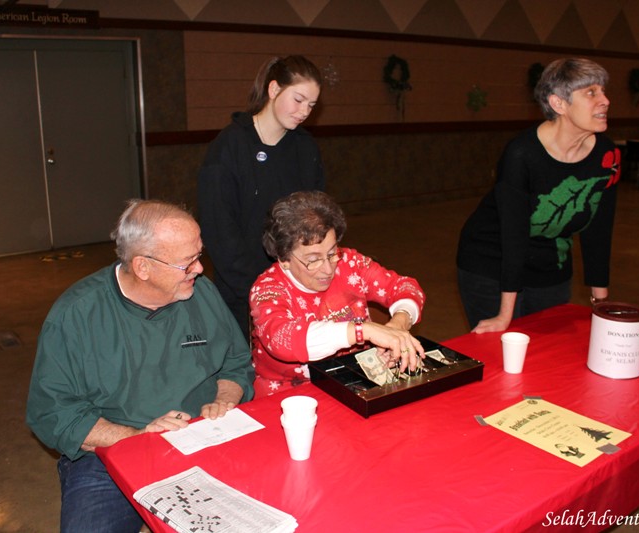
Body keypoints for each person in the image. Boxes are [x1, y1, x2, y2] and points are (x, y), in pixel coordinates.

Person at [26, 199, 255, 533]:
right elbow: (52, 413)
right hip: (111, 455)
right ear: (143, 267)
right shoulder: (77, 314)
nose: (200, 269)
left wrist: (225, 399)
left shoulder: (201, 293)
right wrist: (136, 436)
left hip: (203, 436)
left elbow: (235, 363)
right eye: (187, 262)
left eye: (198, 255)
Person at [456, 58, 621, 333]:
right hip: (491, 261)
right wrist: (504, 317)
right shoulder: (522, 154)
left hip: (551, 263)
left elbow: (599, 232)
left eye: (603, 91)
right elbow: (513, 237)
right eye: (591, 93)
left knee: (550, 349)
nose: (605, 100)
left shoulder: (607, 155)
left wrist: (600, 305)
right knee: (506, 349)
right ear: (559, 104)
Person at [198, 55, 326, 341]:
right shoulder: (229, 146)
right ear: (273, 90)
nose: (304, 111)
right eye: (298, 99)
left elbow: (317, 219)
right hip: (242, 292)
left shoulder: (305, 148)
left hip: (296, 286)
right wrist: (256, 291)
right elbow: (218, 229)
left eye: (312, 105)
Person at [250, 191, 426, 397]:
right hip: (291, 395)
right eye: (313, 260)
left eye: (332, 253)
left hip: (357, 383)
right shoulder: (268, 289)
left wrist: (398, 326)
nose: (328, 269)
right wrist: (364, 331)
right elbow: (283, 338)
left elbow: (404, 287)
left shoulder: (349, 263)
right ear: (284, 259)